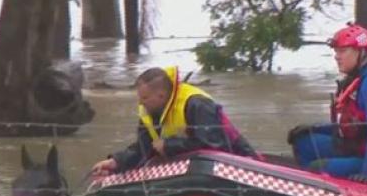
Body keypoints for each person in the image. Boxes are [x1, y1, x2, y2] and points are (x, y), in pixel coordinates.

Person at [92, 66, 259, 176]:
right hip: (188, 172)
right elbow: (143, 150)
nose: (140, 103)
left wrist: (169, 145)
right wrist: (116, 161)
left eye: (144, 98)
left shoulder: (197, 104)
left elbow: (213, 146)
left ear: (161, 95)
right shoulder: (150, 111)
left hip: (236, 165)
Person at [287, 23, 367, 183]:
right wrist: (316, 128)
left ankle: (318, 192)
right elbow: (349, 126)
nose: (336, 56)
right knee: (303, 141)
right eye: (336, 51)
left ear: (361, 52)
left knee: (317, 167)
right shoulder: (355, 79)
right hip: (354, 147)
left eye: (343, 51)